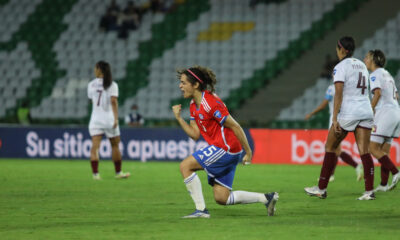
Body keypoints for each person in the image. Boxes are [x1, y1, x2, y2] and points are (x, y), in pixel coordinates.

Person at [172, 66, 278, 218]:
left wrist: (248, 152)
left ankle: (201, 211)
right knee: (222, 198)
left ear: (195, 85)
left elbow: (235, 125)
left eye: (183, 82)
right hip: (226, 149)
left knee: (185, 166)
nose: (180, 86)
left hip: (226, 148)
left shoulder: (211, 103)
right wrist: (179, 118)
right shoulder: (193, 105)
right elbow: (195, 135)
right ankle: (266, 198)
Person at [304, 36, 375, 200]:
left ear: (342, 50)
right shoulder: (362, 65)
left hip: (350, 112)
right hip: (365, 110)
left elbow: (338, 94)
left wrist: (335, 118)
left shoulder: (340, 67)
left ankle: (321, 189)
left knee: (330, 146)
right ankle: (369, 191)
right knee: (365, 151)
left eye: (337, 48)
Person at [305, 83, 363, 182]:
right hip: (346, 118)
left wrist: (311, 113)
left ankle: (356, 166)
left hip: (335, 120)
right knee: (335, 149)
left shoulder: (332, 88)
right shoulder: (348, 87)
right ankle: (332, 174)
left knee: (331, 147)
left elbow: (324, 104)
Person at [364, 49, 400, 192]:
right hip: (396, 111)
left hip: (386, 112)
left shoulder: (374, 75)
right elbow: (396, 95)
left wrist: (371, 109)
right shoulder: (388, 74)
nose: (365, 59)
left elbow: (377, 93)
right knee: (384, 150)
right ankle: (384, 184)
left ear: (373, 60)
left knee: (372, 148)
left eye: (367, 57)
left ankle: (396, 172)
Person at [88, 61, 130, 180]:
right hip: (109, 120)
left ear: (99, 70)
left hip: (95, 120)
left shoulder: (91, 84)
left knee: (95, 146)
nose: (94, 70)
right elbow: (113, 102)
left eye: (95, 68)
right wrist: (116, 118)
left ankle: (95, 174)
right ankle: (118, 172)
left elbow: (92, 101)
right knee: (115, 145)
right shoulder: (112, 84)